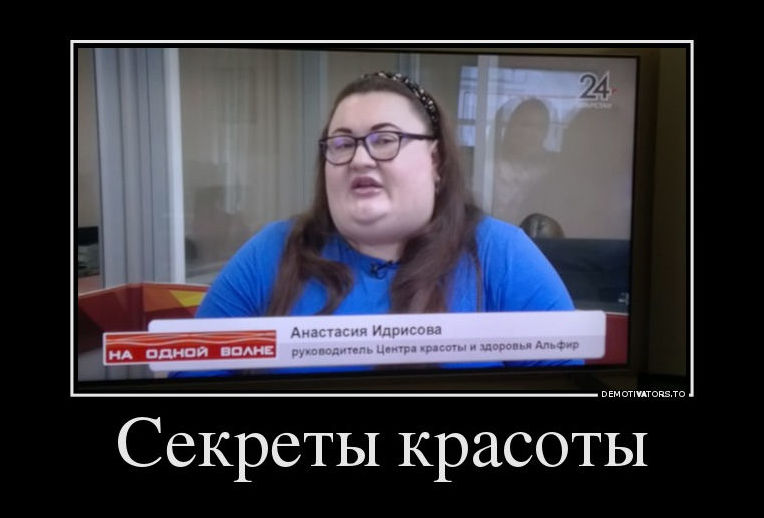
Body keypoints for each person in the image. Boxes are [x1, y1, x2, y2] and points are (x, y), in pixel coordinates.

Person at [172, 71, 579, 378]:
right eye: (342, 143)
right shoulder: (272, 252)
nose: (360, 159)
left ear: (435, 161)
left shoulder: (502, 254)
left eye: (385, 140)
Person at [492, 98, 558, 226]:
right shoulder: (488, 167)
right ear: (511, 127)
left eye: (540, 127)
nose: (533, 133)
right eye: (526, 125)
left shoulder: (552, 171)